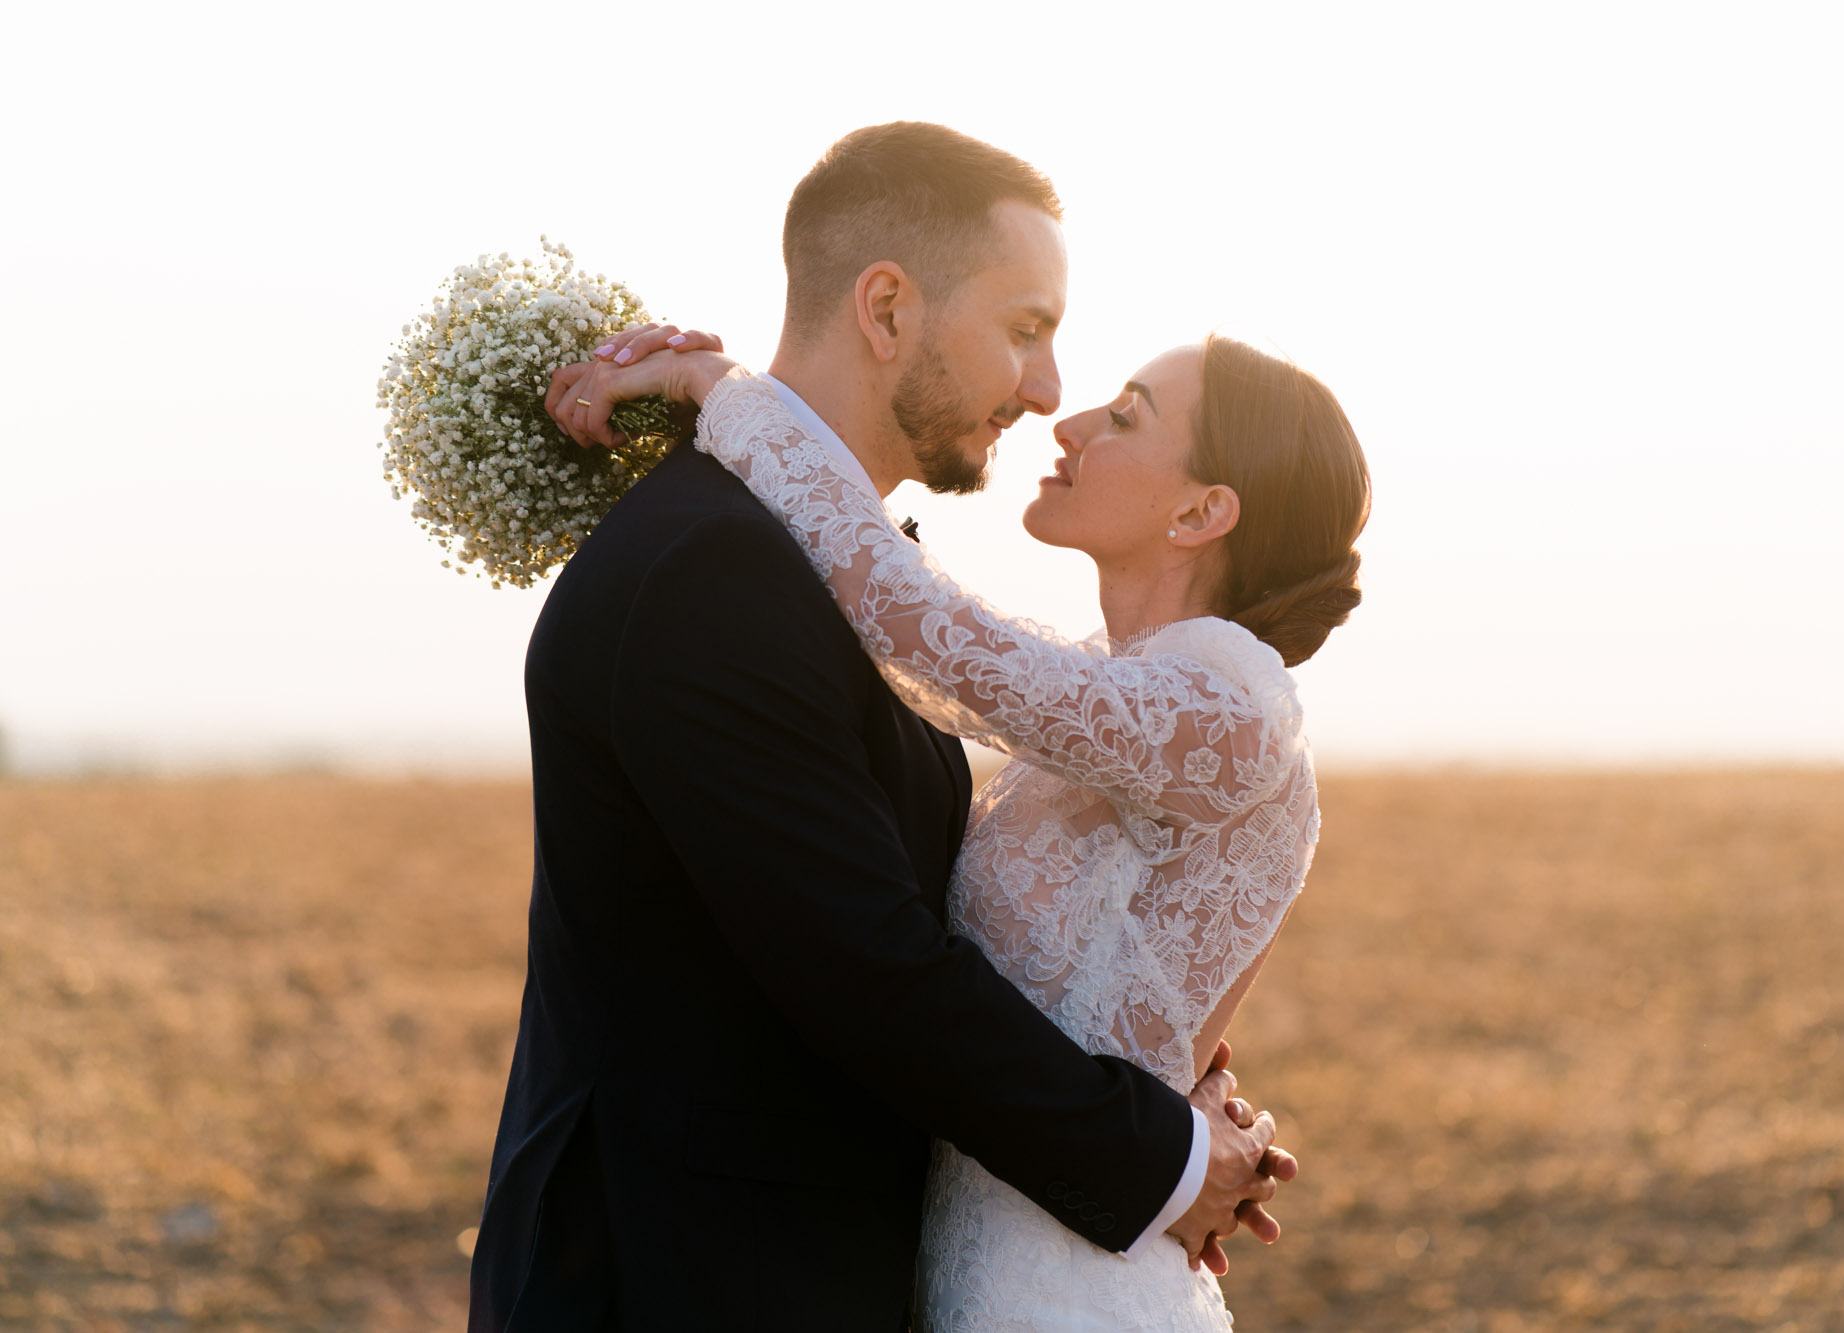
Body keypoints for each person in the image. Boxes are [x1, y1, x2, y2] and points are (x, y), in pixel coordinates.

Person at [474, 122, 1295, 1332]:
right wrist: (1161, 1158)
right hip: (681, 1280)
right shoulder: (715, 569)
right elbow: (867, 972)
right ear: (886, 308)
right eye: (1025, 329)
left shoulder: (801, 566)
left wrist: (1166, 1061)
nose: (1048, 390)